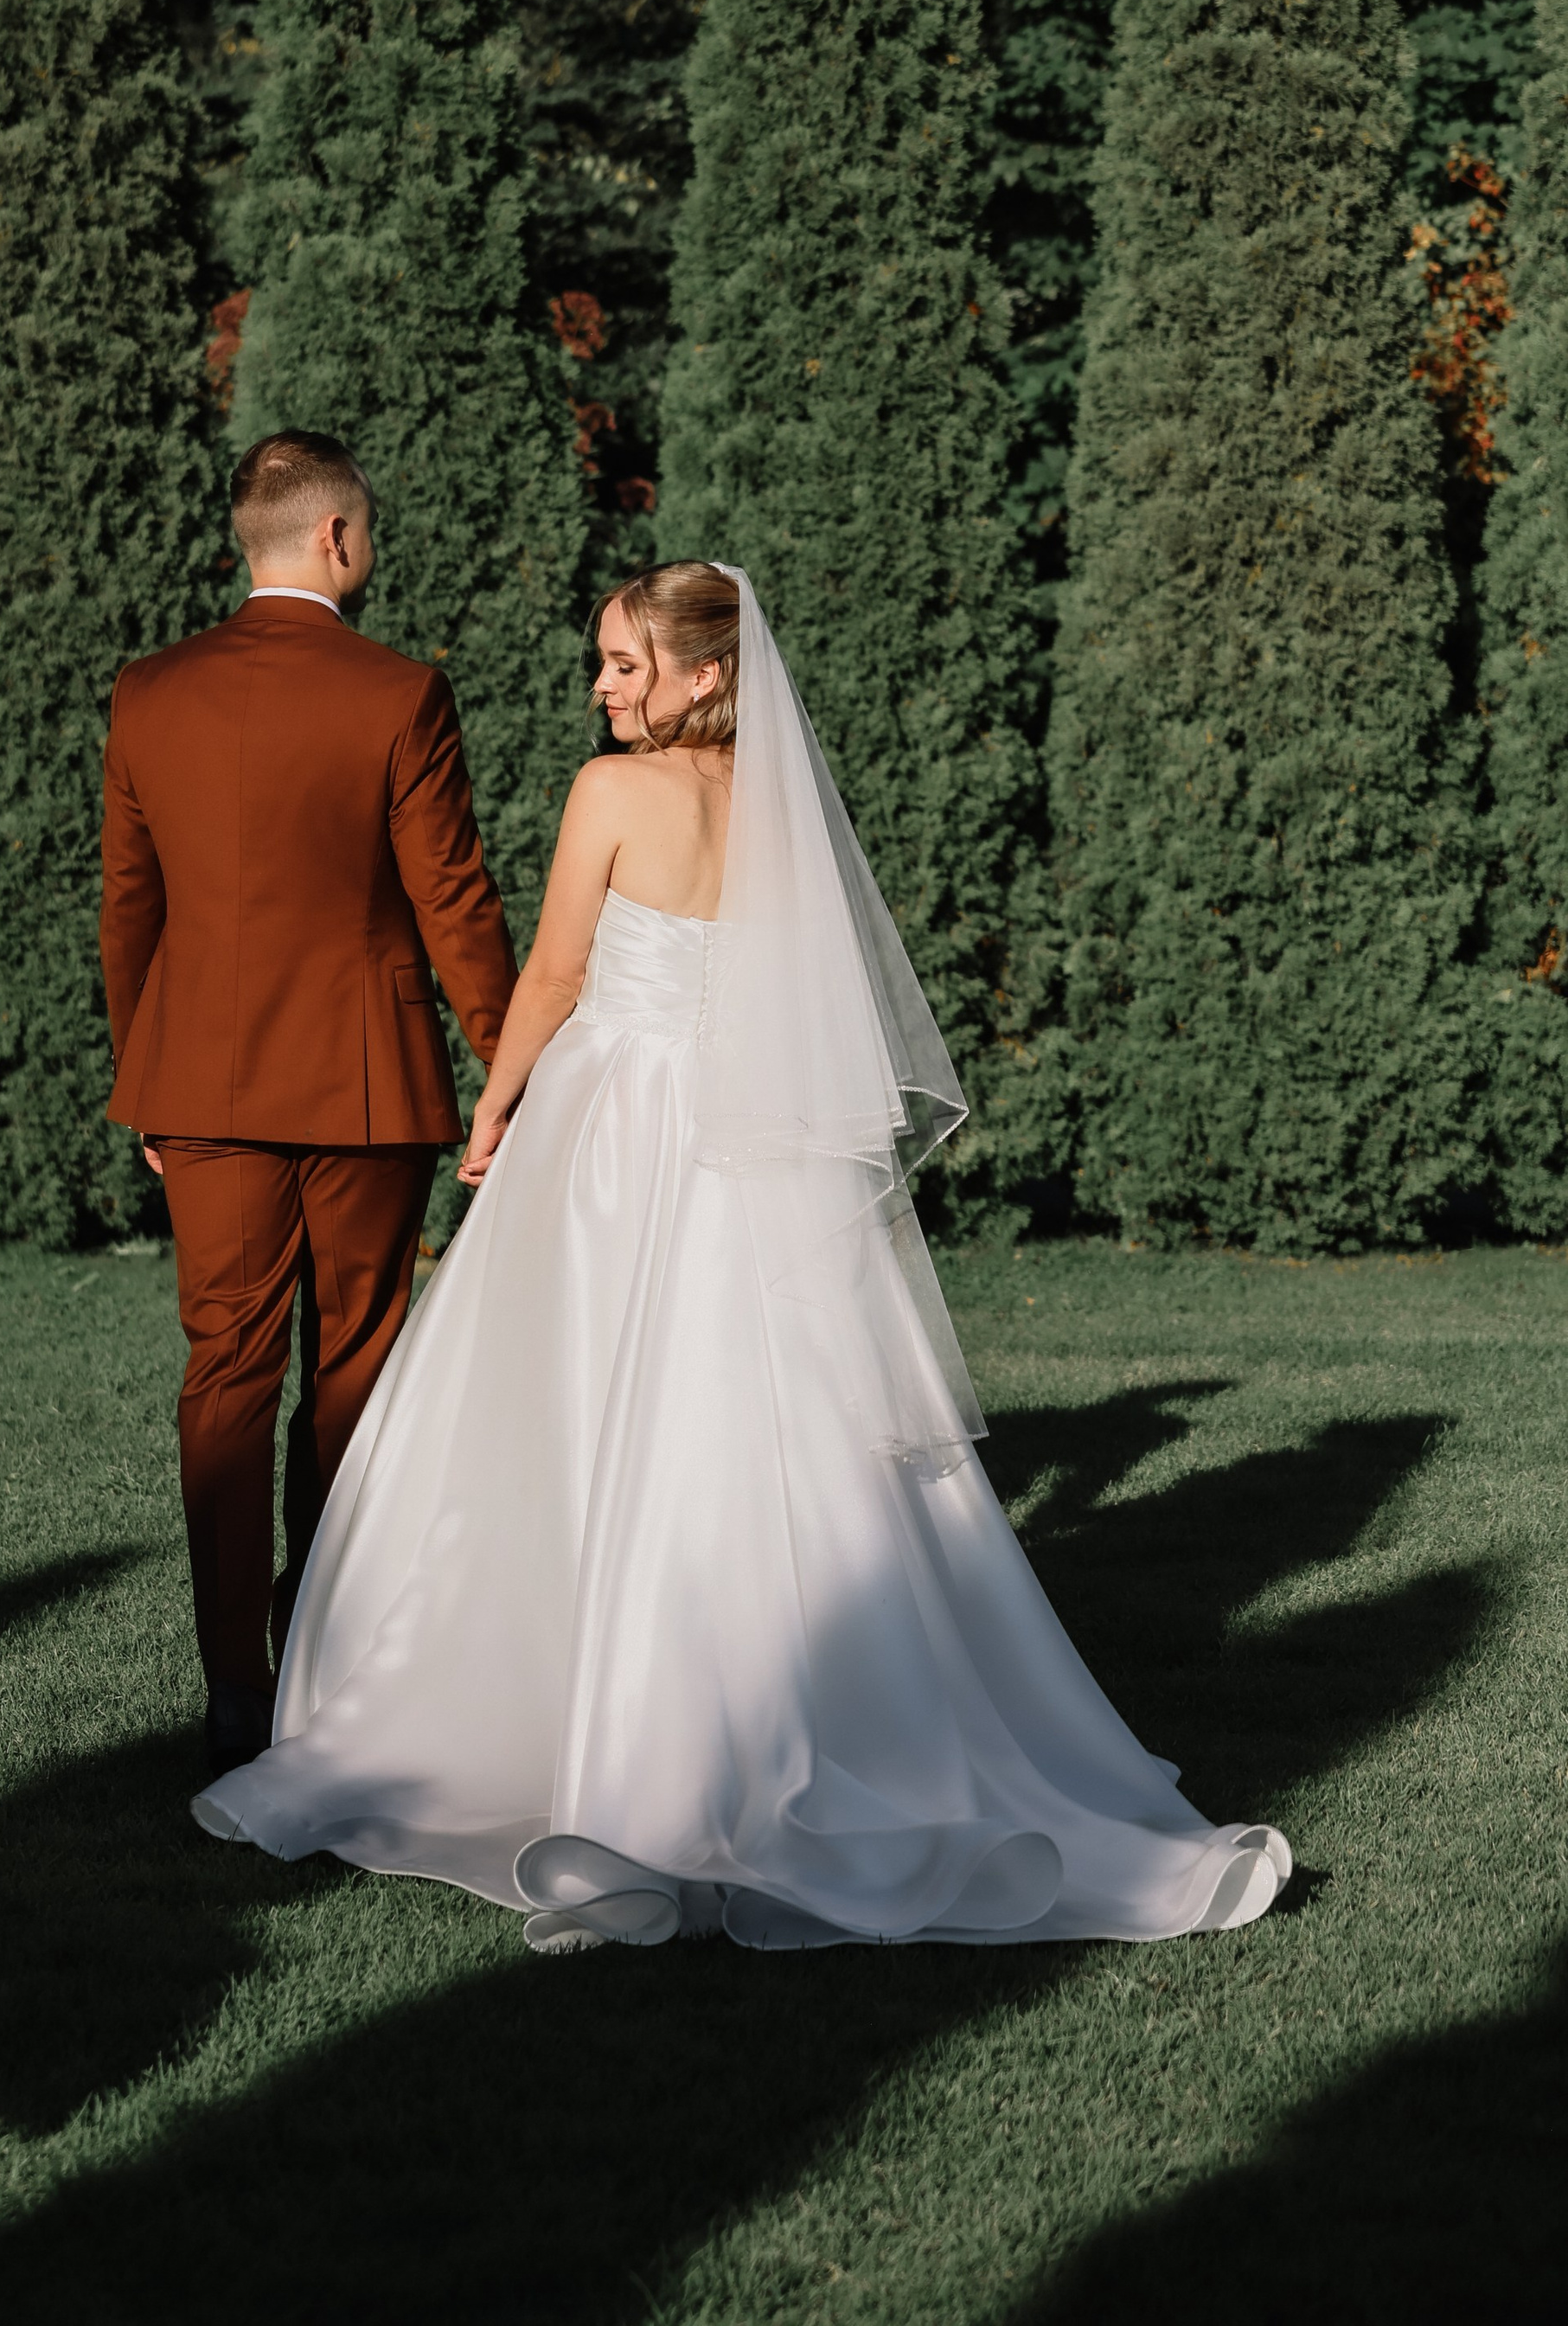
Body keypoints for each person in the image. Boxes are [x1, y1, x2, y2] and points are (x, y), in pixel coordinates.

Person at [193, 561, 1291, 1951]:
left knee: (579, 1407)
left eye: (625, 665)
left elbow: (554, 973)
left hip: (618, 1124)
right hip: (751, 1135)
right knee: (761, 1421)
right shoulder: (778, 808)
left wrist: (497, 1094)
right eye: (601, 662)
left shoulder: (612, 794)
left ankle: (578, 1743)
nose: (602, 687)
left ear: (707, 672)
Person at [99, 431, 517, 1778]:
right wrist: (511, 1065)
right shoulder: (401, 692)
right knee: (354, 1368)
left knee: (225, 1368)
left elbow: (129, 909)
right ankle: (319, 1651)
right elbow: (451, 897)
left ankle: (233, 1683)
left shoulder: (147, 693)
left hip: (204, 1086)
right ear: (338, 540)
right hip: (365, 1086)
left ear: (252, 541)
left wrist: (146, 1072)